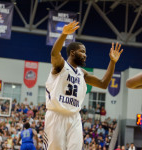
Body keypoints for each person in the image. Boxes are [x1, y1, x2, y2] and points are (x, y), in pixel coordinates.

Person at [44, 21, 123, 150]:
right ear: (72, 53)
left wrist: (112, 62)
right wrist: (64, 34)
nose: (85, 55)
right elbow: (54, 54)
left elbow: (103, 84)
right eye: (82, 51)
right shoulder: (60, 66)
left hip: (74, 116)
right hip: (56, 115)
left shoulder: (82, 73)